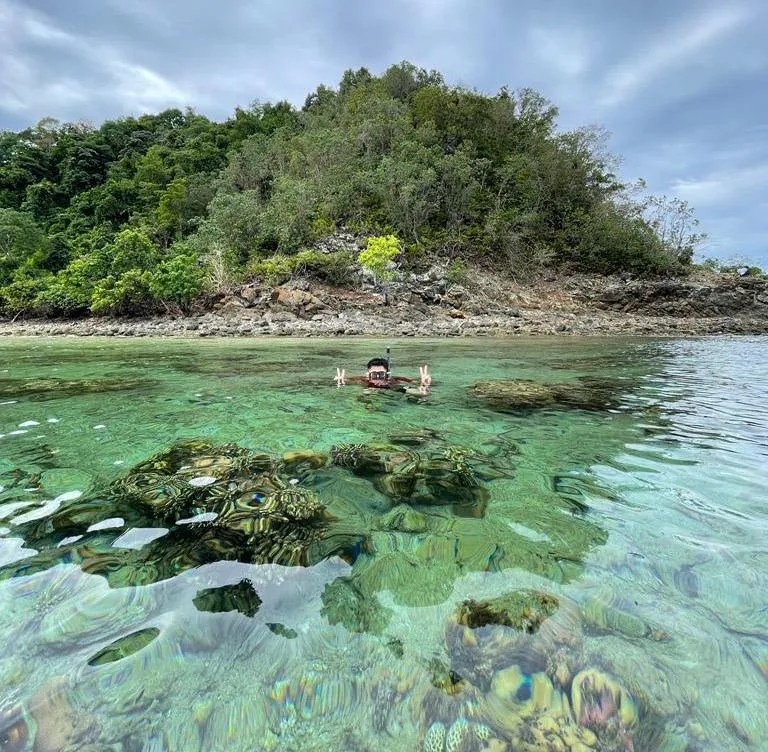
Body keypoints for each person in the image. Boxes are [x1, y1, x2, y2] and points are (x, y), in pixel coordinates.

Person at [335, 357, 432, 390]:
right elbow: (347, 379)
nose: (377, 378)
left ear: (387, 374)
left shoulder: (393, 380)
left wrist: (424, 383)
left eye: (381, 375)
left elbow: (413, 381)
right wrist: (340, 381)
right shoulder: (363, 379)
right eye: (374, 375)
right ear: (368, 374)